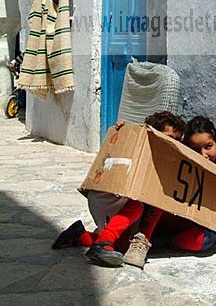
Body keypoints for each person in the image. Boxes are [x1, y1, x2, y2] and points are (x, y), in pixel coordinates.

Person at [51, 111, 185, 267]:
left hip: (118, 202)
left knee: (122, 247)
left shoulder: (165, 160)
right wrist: (123, 130)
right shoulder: (140, 146)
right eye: (166, 137)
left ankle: (80, 235)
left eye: (175, 140)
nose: (169, 143)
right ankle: (102, 242)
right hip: (108, 196)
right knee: (140, 204)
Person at [124, 115, 216, 269]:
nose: (203, 155)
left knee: (208, 239)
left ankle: (167, 242)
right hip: (163, 221)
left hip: (189, 229)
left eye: (208, 147)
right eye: (195, 150)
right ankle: (143, 239)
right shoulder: (178, 167)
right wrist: (125, 130)